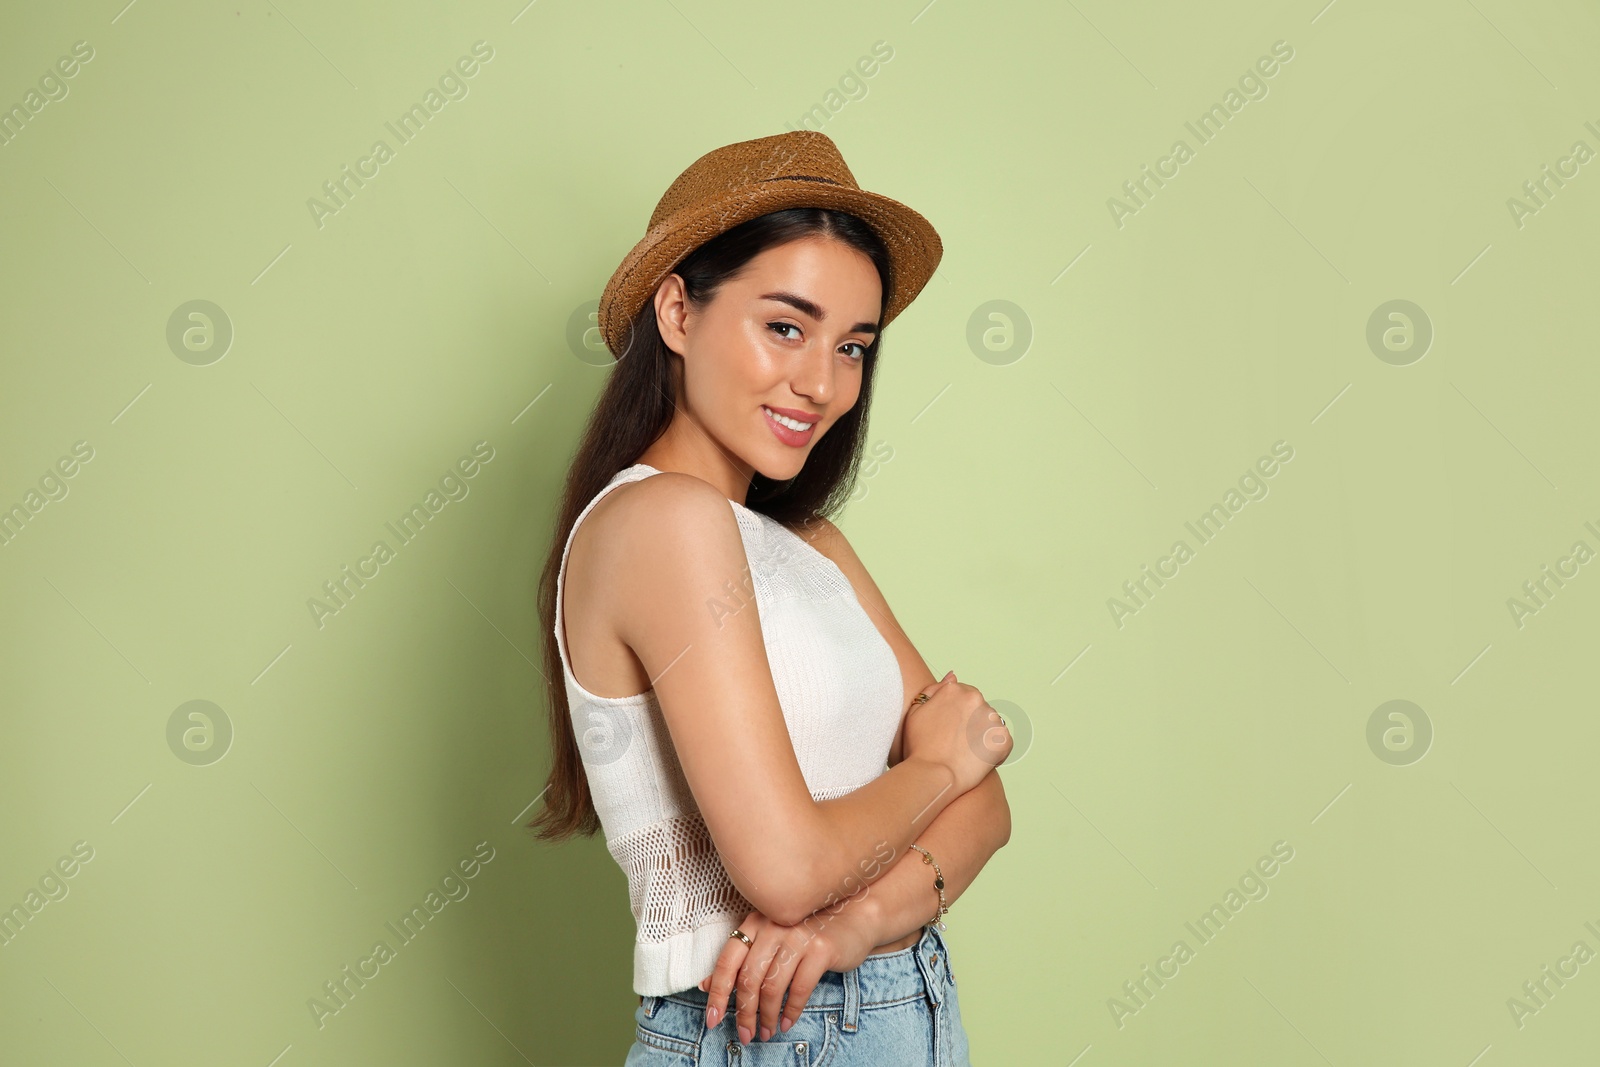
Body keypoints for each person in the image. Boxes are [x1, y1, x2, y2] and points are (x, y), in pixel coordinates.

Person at [527, 130, 1013, 1066]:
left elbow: (991, 812)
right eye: (784, 326)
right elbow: (788, 870)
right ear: (677, 310)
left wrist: (858, 923)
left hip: (898, 1003)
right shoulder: (659, 521)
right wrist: (939, 767)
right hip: (769, 1034)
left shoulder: (810, 543)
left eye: (853, 346)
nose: (822, 383)